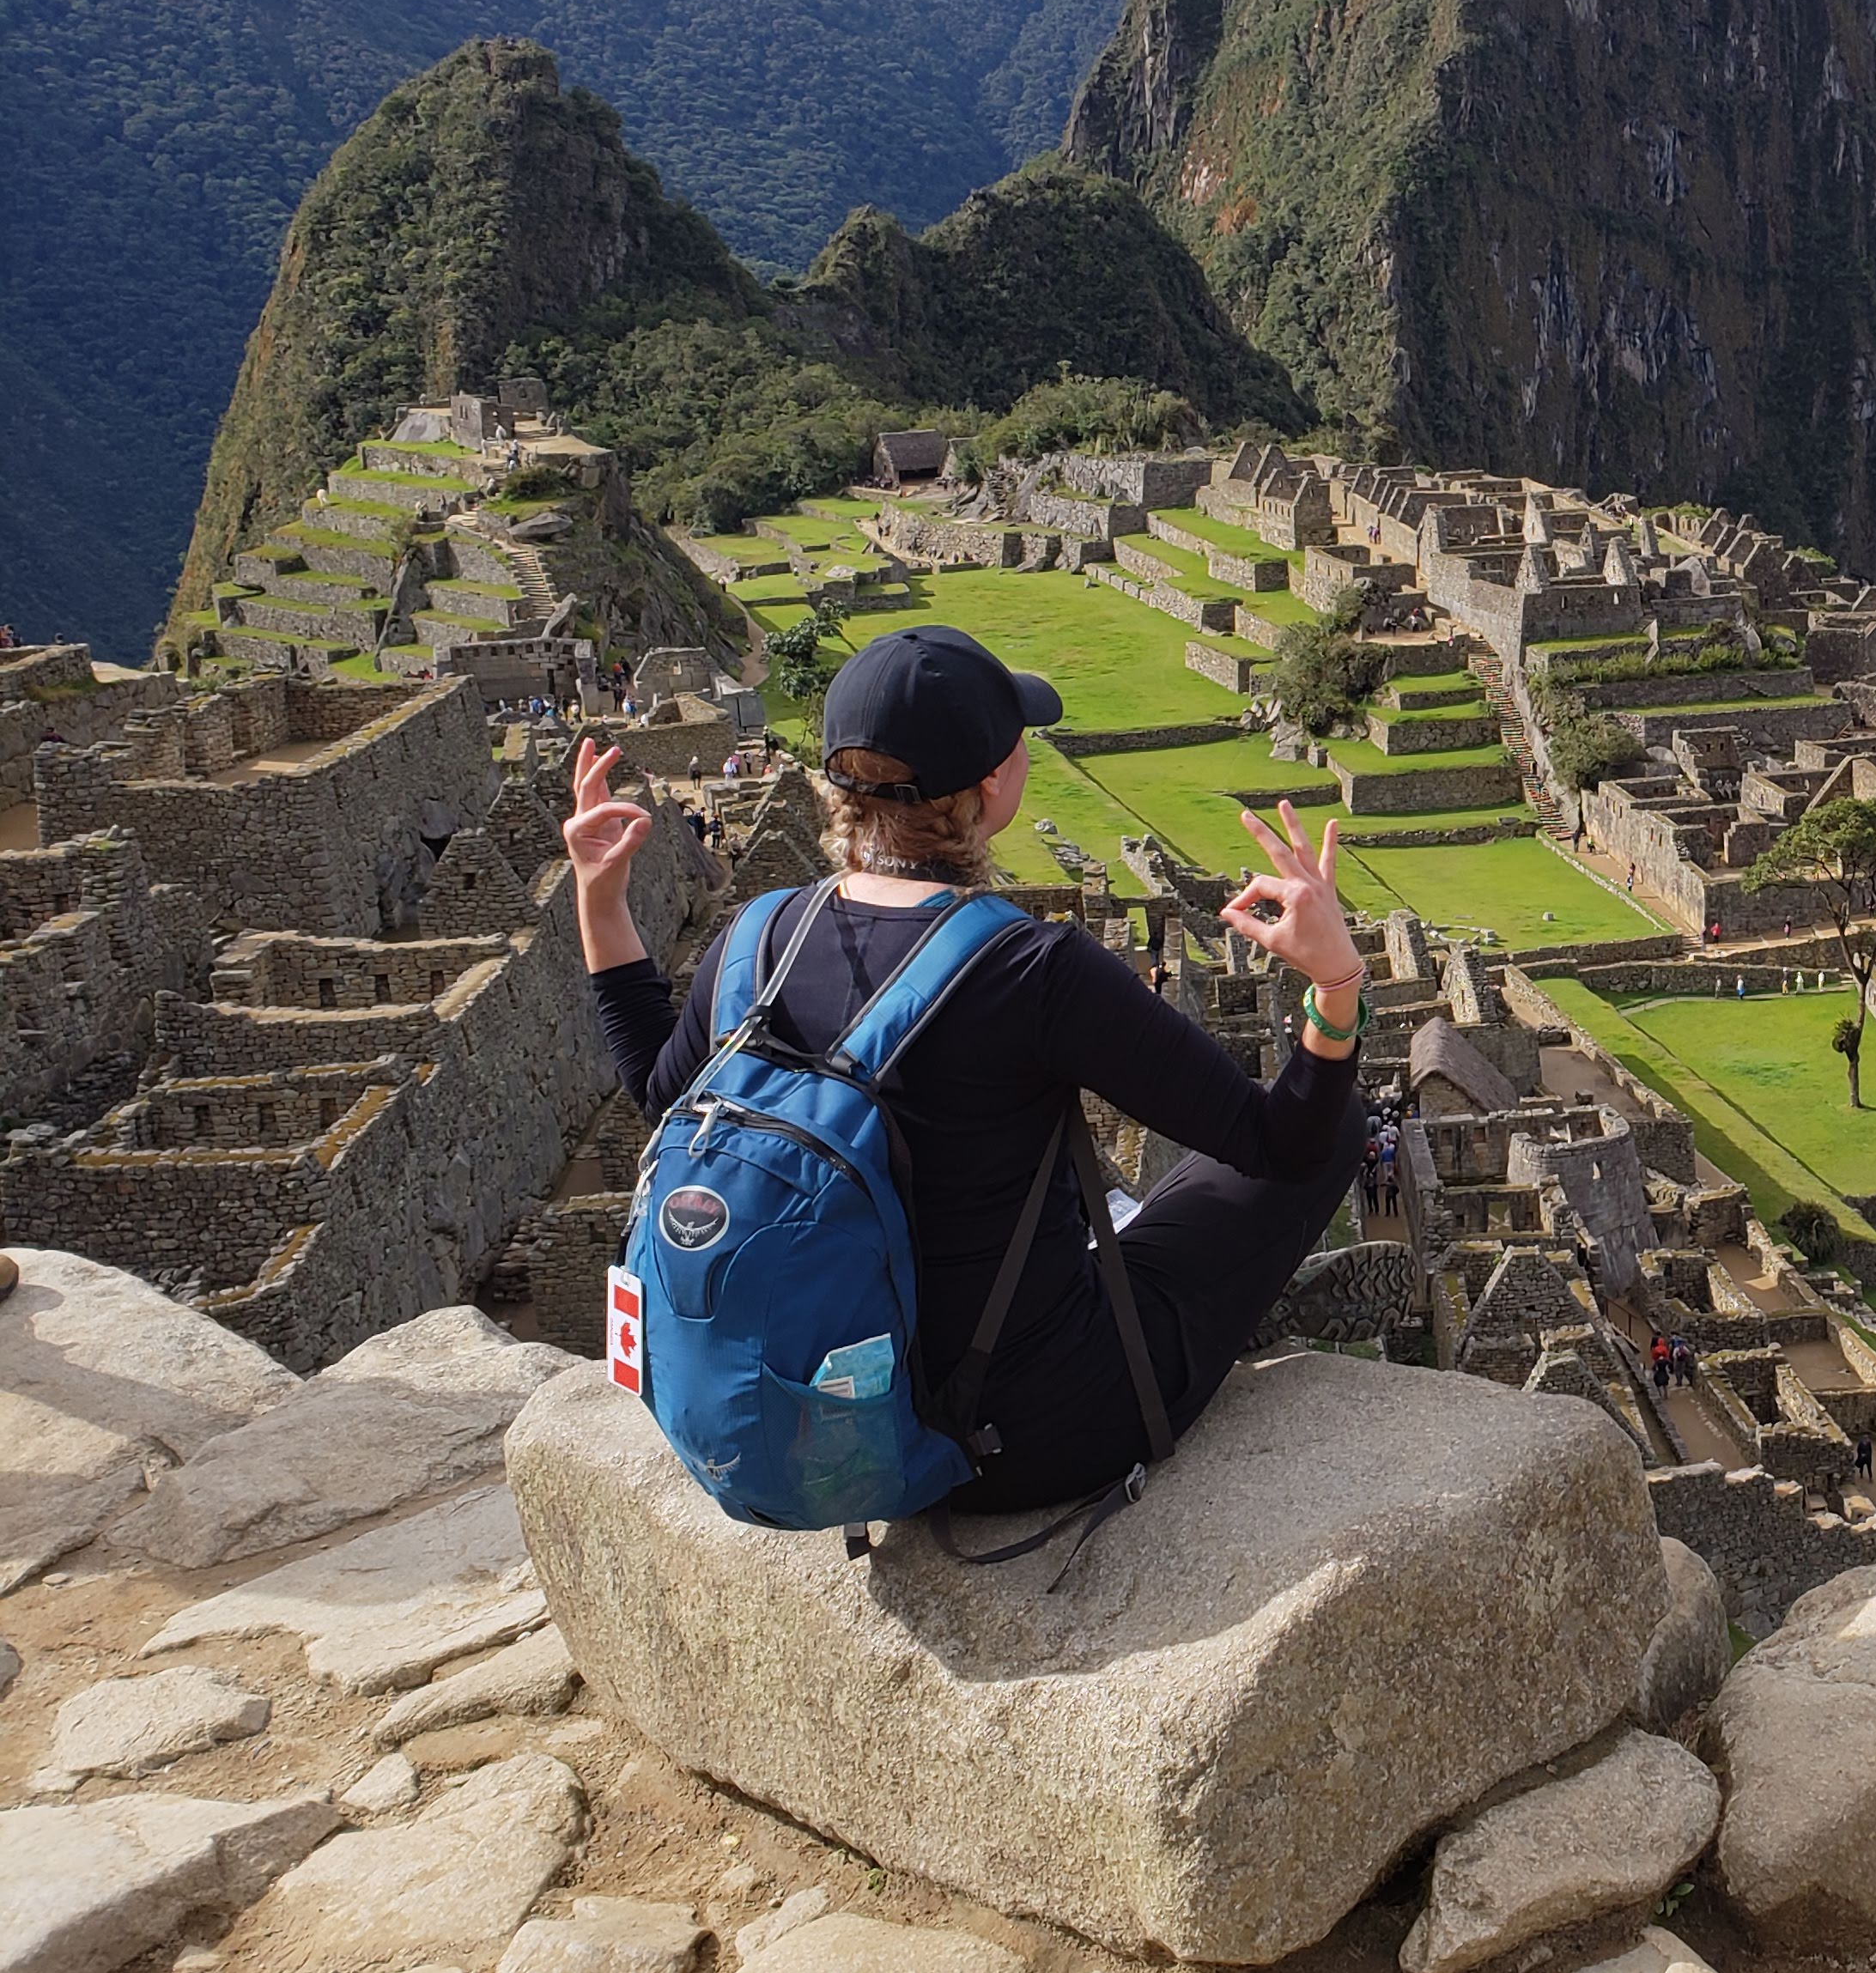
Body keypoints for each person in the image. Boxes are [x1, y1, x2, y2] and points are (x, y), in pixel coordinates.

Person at [564, 623, 1364, 1519]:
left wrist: (600, 897)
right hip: (1024, 1439)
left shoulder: (756, 937)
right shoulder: (1031, 969)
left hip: (838, 1425)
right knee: (1340, 1125)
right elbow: (1285, 1143)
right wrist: (1335, 982)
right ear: (991, 782)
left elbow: (655, 1094)